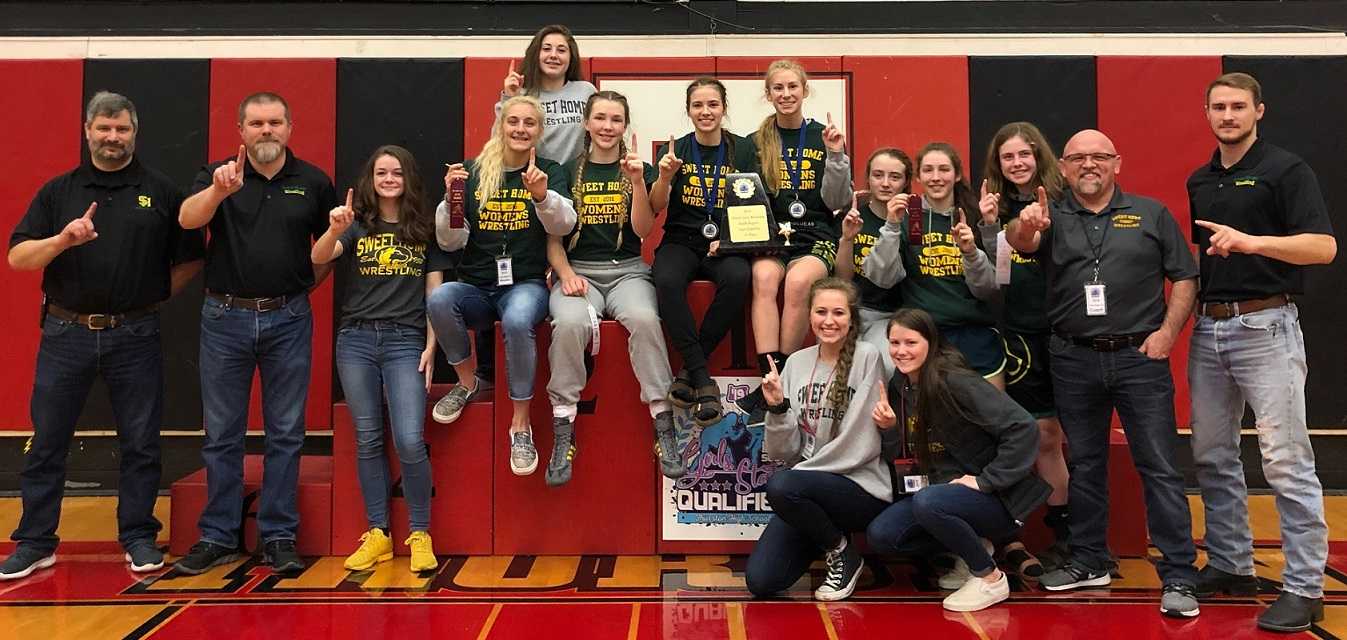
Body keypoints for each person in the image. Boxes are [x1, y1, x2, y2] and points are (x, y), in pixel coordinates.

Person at [0, 92, 204, 580]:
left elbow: (192, 257)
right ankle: (35, 541)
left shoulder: (160, 190)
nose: (113, 137)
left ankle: (137, 537)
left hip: (135, 333)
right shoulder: (58, 192)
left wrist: (148, 298)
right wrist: (62, 240)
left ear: (135, 133)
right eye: (104, 129)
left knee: (140, 441)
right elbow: (17, 259)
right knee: (48, 440)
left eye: (122, 129)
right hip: (65, 332)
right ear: (87, 130)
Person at [1008, 129, 1201, 618]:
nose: (1088, 165)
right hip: (1073, 357)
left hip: (1140, 357)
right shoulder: (1050, 215)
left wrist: (1168, 333)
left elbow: (1184, 276)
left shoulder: (1152, 214)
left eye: (1098, 157)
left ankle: (1179, 573)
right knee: (1087, 464)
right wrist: (1025, 224)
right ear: (1065, 167)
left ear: (1117, 163)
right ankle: (1090, 559)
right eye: (1077, 158)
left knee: (1157, 464)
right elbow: (1020, 241)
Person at [1186, 72, 1336, 633]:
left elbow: (1323, 247)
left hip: (1267, 326)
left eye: (1238, 106)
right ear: (1206, 113)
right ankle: (1231, 564)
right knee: (1211, 455)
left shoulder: (1285, 169)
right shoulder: (1200, 179)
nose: (1228, 115)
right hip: (1210, 328)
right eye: (1218, 107)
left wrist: (1251, 242)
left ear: (1258, 111)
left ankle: (1305, 587)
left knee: (1285, 460)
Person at [175, 92, 336, 577]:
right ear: (240, 130)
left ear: (290, 127)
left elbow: (328, 248)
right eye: (256, 124)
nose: (266, 131)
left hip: (288, 319)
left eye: (274, 123)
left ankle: (278, 535)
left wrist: (301, 289)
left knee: (286, 433)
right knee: (222, 434)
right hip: (224, 319)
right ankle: (217, 535)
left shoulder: (312, 181)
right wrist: (220, 192)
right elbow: (187, 219)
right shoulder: (217, 174)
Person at [311, 146, 450, 574]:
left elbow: (435, 293)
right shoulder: (357, 225)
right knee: (368, 439)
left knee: (409, 439)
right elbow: (316, 259)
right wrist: (335, 230)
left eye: (396, 172)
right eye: (380, 173)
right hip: (355, 340)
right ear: (370, 180)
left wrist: (432, 345)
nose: (388, 179)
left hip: (406, 341)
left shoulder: (424, 228)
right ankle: (378, 534)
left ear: (408, 178)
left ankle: (421, 533)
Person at [429, 95, 576, 476]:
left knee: (517, 320)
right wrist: (449, 202)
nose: (520, 129)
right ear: (501, 125)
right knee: (442, 297)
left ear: (539, 131)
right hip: (477, 285)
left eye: (529, 123)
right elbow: (449, 241)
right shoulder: (476, 172)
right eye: (514, 122)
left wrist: (542, 196)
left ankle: (521, 425)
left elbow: (564, 226)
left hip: (524, 284)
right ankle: (466, 384)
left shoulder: (550, 169)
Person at [866, 308, 1050, 612]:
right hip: (936, 492)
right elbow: (900, 453)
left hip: (992, 498)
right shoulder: (900, 385)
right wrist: (888, 430)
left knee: (929, 502)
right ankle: (972, 549)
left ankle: (989, 577)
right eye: (894, 343)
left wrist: (986, 480)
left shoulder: (955, 380)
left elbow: (1023, 426)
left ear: (931, 342)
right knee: (882, 536)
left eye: (910, 343)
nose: (901, 351)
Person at [544, 91, 680, 486]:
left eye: (616, 119)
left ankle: (663, 421)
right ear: (586, 123)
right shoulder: (566, 171)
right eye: (600, 118)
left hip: (627, 270)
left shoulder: (639, 168)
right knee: (569, 325)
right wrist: (565, 273)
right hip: (578, 272)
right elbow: (553, 237)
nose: (607, 126)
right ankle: (563, 429)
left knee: (644, 319)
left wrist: (638, 181)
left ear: (625, 126)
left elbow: (642, 230)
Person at [745, 278, 889, 602]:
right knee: (761, 581)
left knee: (783, 485)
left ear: (852, 318)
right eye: (820, 311)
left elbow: (860, 441)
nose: (828, 321)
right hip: (808, 493)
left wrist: (804, 475)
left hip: (859, 486)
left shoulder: (867, 357)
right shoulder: (796, 362)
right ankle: (833, 542)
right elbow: (784, 452)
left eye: (838, 312)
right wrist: (778, 408)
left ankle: (842, 554)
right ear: (809, 315)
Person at [976, 122, 1070, 574]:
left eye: (1024, 156)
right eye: (1008, 157)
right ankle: (1014, 539)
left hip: (1067, 329)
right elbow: (998, 279)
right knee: (1036, 435)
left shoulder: (1066, 197)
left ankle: (1069, 535)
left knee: (1067, 439)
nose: (1017, 164)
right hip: (1017, 333)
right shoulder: (991, 207)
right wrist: (994, 227)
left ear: (1039, 157)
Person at [649, 77, 756, 425]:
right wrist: (664, 178)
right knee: (664, 279)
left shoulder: (743, 148)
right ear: (688, 110)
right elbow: (654, 206)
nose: (705, 112)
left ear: (724, 108)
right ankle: (701, 378)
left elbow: (753, 204)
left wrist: (727, 239)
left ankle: (689, 373)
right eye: (698, 105)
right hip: (681, 239)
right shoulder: (673, 149)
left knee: (740, 277)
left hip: (725, 241)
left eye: (712, 104)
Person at [748, 59, 853, 388]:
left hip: (816, 232)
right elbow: (746, 199)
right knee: (763, 276)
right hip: (772, 235)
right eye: (778, 87)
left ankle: (786, 379)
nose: (786, 93)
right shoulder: (757, 140)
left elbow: (837, 202)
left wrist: (836, 155)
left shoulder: (824, 136)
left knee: (797, 283)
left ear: (805, 90)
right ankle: (769, 374)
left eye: (792, 86)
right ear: (769, 94)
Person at [891, 143, 1003, 389]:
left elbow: (993, 287)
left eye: (944, 169)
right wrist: (890, 227)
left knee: (993, 416)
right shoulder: (911, 214)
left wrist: (972, 250)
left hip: (975, 332)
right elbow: (885, 277)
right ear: (918, 176)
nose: (936, 177)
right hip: (927, 333)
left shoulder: (977, 213)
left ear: (958, 174)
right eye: (928, 170)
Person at [835, 147, 912, 379]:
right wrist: (847, 239)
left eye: (895, 177)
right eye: (878, 175)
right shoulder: (853, 214)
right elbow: (842, 279)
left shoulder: (911, 221)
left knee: (887, 368)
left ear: (906, 182)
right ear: (868, 178)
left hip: (890, 314)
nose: (886, 183)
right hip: (854, 310)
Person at [499, 24, 597, 165]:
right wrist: (509, 98)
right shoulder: (521, 94)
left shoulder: (586, 91)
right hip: (533, 176)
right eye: (546, 49)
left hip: (576, 177)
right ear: (536, 54)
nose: (553, 55)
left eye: (561, 50)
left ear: (571, 57)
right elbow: (498, 141)